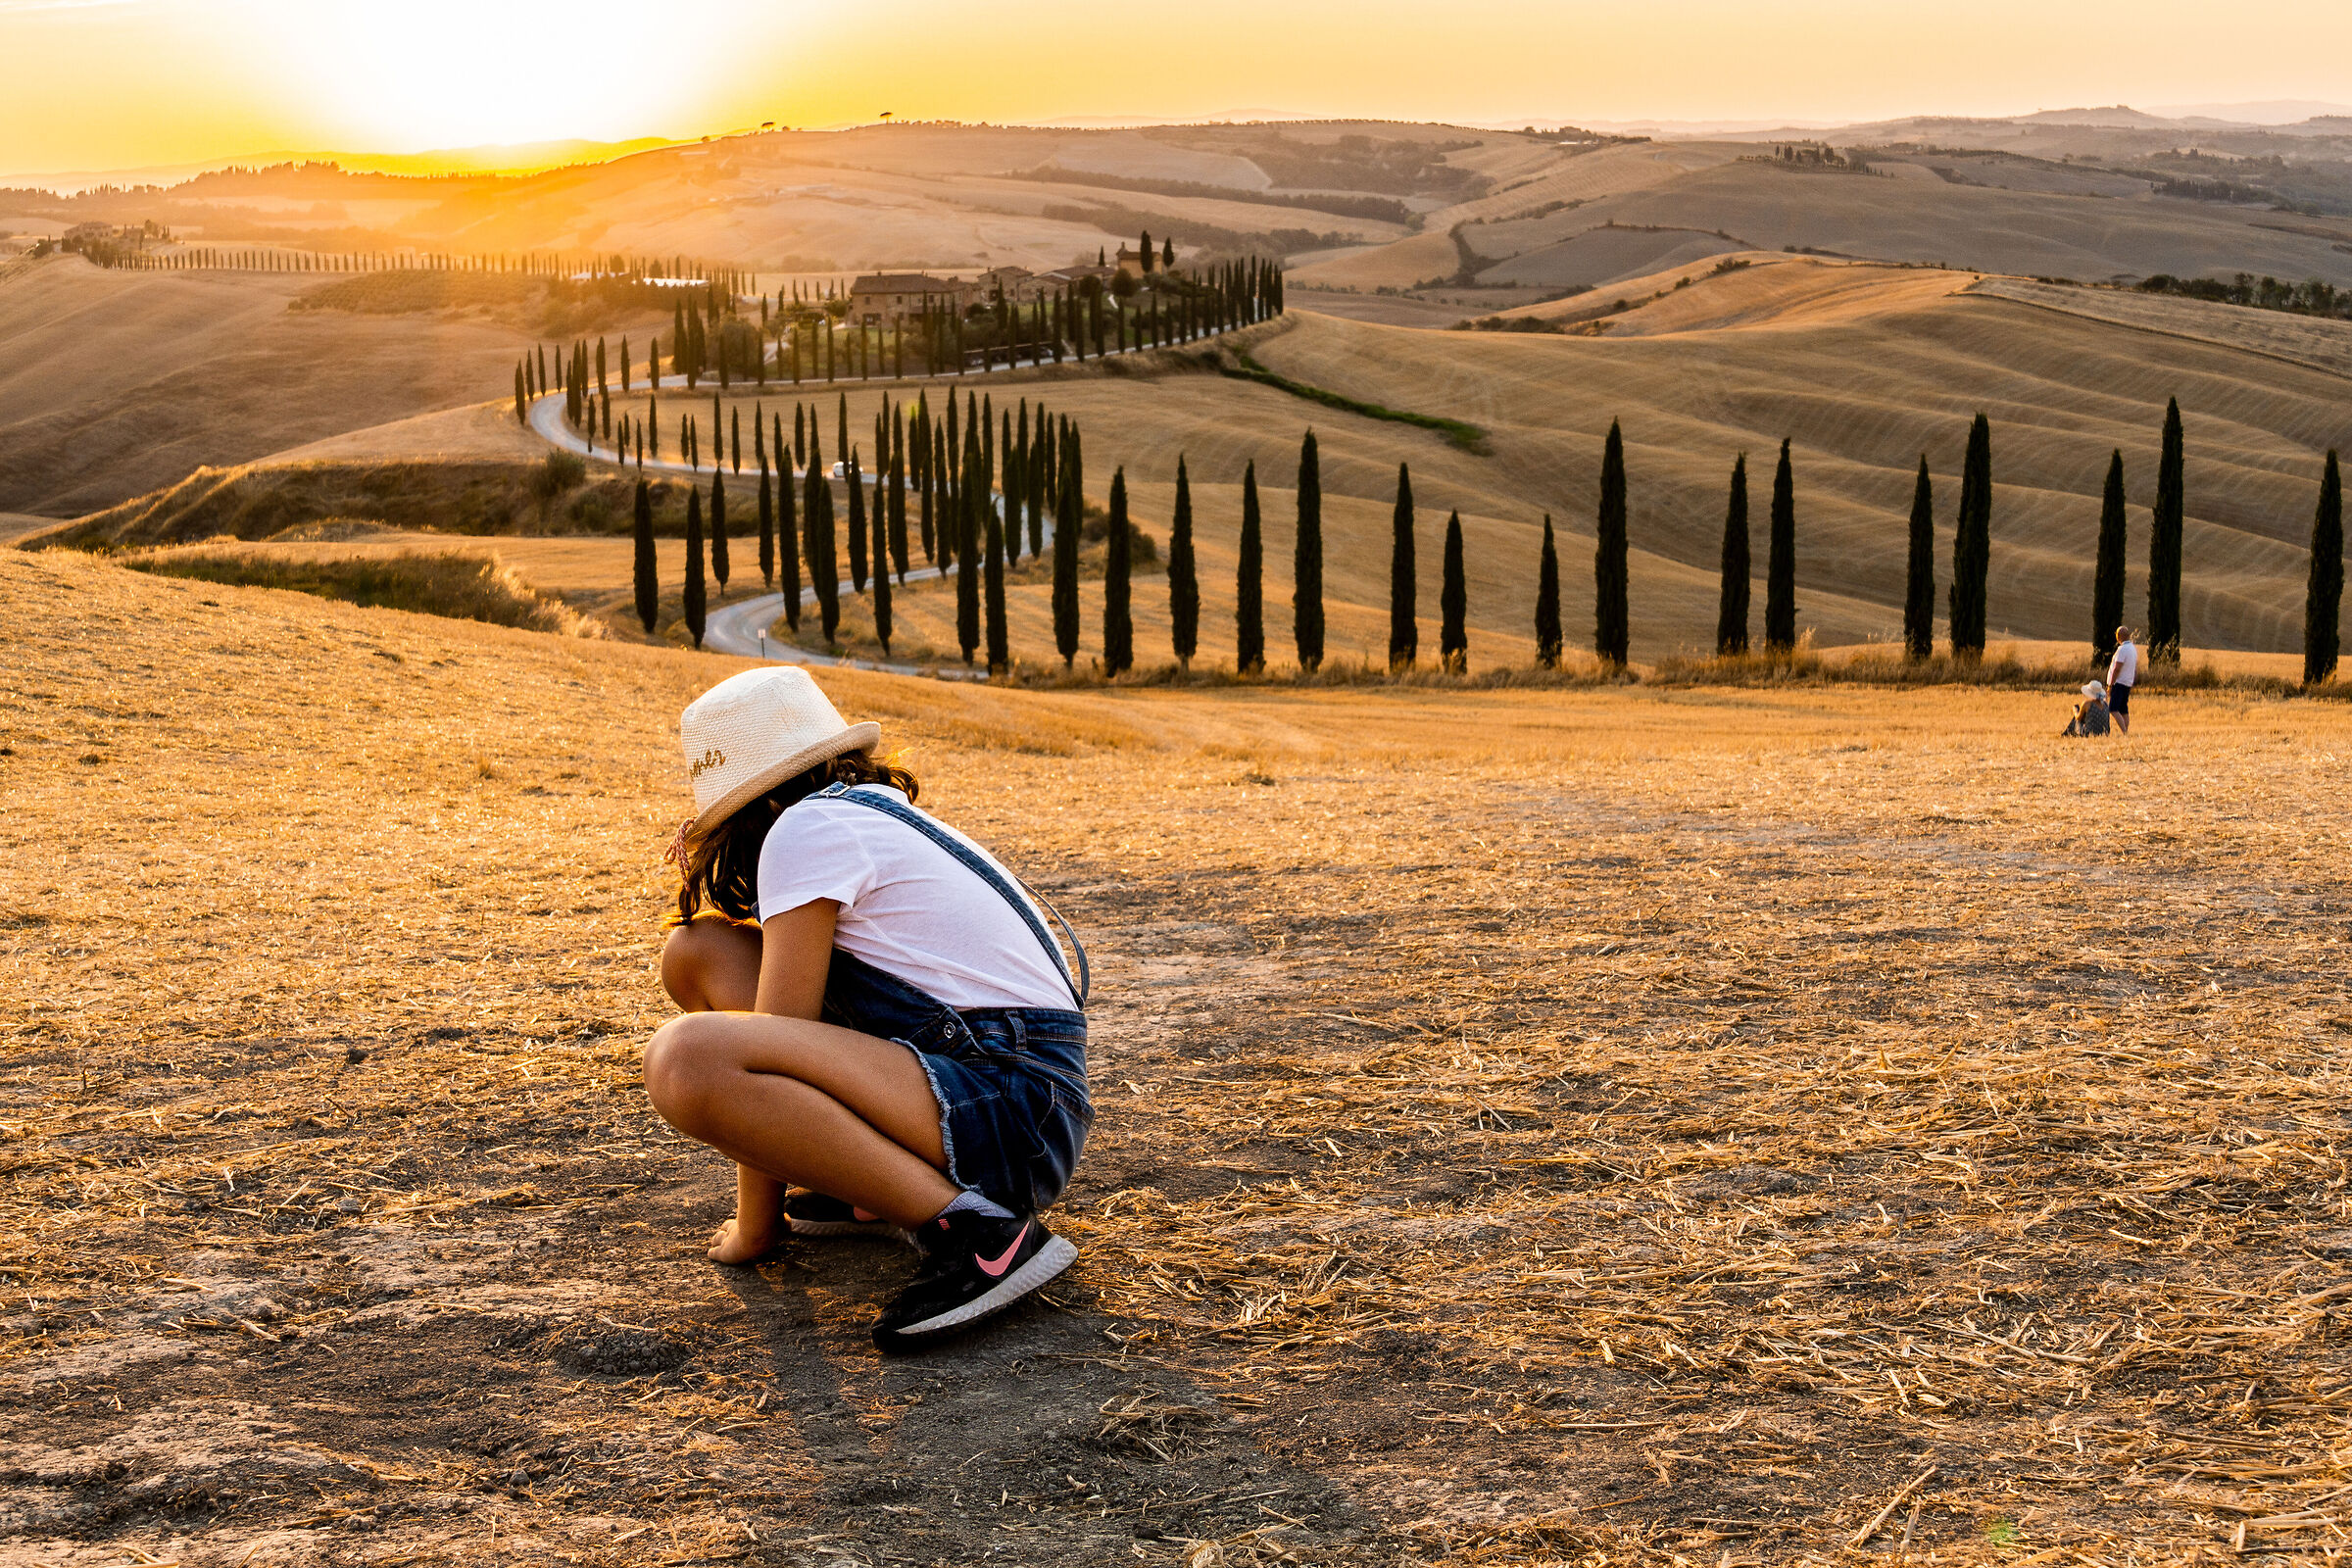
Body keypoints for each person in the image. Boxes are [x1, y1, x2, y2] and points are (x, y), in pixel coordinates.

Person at [642, 667, 1091, 1350]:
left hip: (1007, 1110)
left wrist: (755, 1231)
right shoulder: (857, 812)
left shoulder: (803, 829)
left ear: (740, 808)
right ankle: (880, 1185)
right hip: (1016, 1099)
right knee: (700, 951)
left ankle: (980, 1238)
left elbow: (773, 1039)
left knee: (686, 1058)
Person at [2105, 626, 2138, 736]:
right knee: (2123, 709)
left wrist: (2110, 684)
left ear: (2118, 636)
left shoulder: (2122, 649)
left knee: (2113, 708)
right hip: (2128, 682)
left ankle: (2124, 731)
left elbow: (2117, 668)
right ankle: (2126, 731)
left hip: (2119, 682)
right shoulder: (2132, 648)